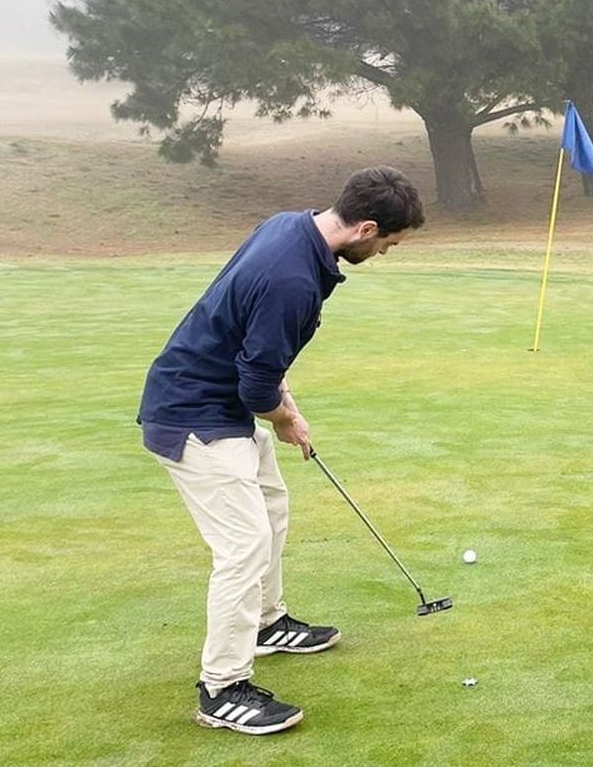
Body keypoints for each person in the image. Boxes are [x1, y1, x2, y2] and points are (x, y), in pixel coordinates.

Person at [139, 166, 426, 735]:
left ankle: (267, 624)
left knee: (271, 508)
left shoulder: (290, 226)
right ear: (366, 229)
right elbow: (255, 382)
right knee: (242, 546)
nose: (388, 253)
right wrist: (283, 418)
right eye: (390, 243)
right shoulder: (292, 278)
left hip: (223, 404)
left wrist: (283, 403)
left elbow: (257, 350)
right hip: (192, 414)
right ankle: (220, 688)